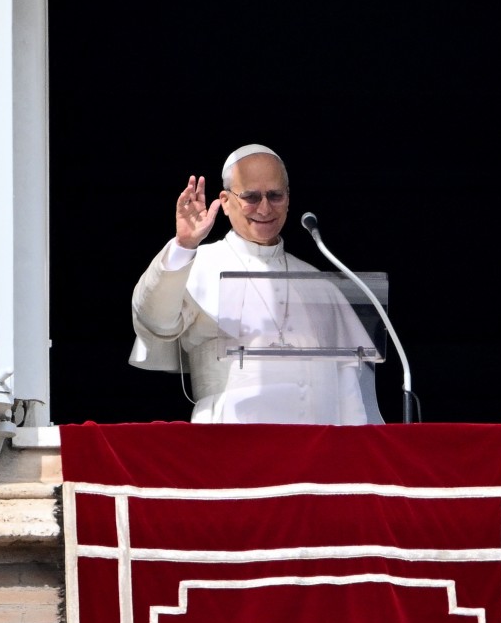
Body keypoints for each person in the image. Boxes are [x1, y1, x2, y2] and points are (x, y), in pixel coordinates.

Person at [129, 144, 382, 424]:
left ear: (288, 199)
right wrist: (184, 246)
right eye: (251, 196)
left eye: (275, 196)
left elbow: (348, 384)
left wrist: (352, 453)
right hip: (229, 441)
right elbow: (156, 321)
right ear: (225, 201)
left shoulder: (317, 283)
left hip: (315, 451)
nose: (264, 208)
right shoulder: (198, 264)